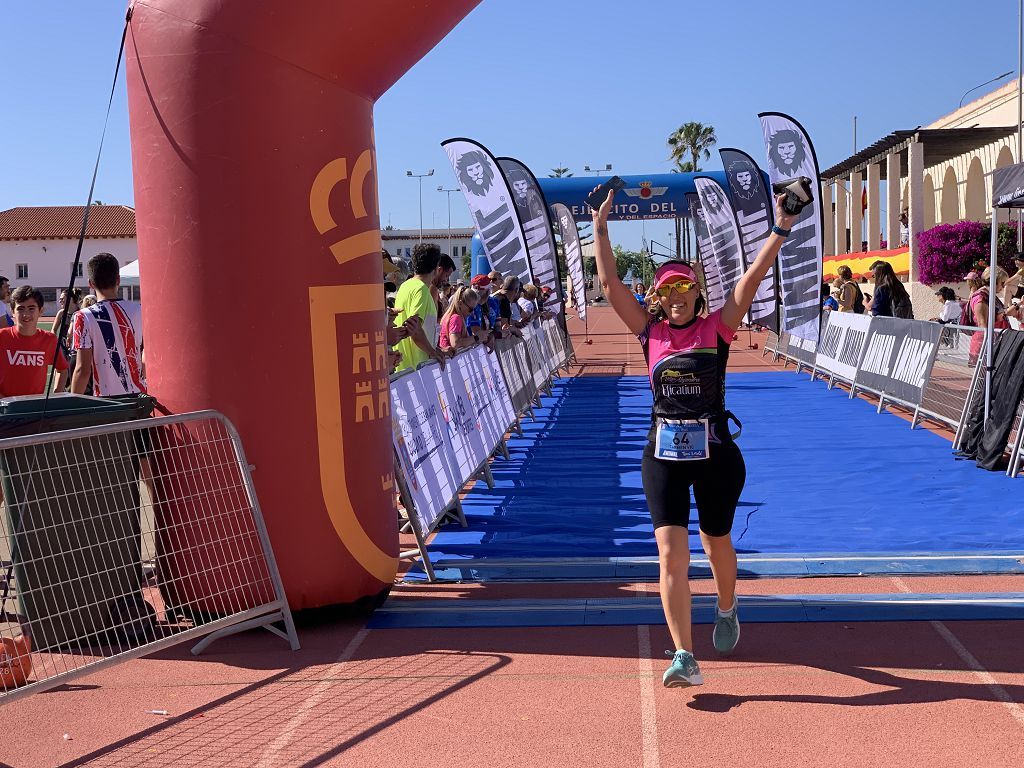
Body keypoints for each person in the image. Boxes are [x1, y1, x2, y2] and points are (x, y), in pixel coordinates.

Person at [592, 185, 797, 688]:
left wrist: (780, 228)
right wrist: (599, 227)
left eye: (684, 288)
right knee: (669, 553)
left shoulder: (717, 327)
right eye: (666, 291)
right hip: (662, 451)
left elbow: (751, 281)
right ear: (658, 300)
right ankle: (684, 653)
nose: (676, 297)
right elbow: (609, 279)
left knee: (716, 542)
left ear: (697, 293)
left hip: (715, 455)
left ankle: (727, 607)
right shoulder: (648, 333)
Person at [71, 253, 146, 396]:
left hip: (106, 401)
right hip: (139, 396)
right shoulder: (139, 310)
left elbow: (82, 370)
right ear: (118, 279)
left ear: (90, 283)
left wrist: (74, 406)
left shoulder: (82, 316)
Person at [0, 285, 69, 397]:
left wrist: (56, 397)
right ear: (12, 311)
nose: (26, 314)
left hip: (34, 409)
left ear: (40, 311)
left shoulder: (49, 339)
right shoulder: (2, 337)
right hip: (5, 409)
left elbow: (62, 369)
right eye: (20, 309)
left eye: (31, 308)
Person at [392, 243, 447, 372]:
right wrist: (432, 352)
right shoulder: (421, 289)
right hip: (416, 368)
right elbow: (414, 328)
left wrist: (434, 348)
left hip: (404, 367)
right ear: (436, 268)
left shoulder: (406, 286)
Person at [963, 268, 1011, 366]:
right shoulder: (981, 297)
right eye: (1002, 282)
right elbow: (982, 325)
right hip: (986, 346)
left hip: (994, 343)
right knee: (984, 378)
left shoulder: (989, 295)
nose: (1003, 286)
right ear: (994, 281)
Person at [438, 286, 481, 354]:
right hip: (450, 361)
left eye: (474, 309)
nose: (472, 313)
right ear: (460, 303)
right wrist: (477, 337)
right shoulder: (456, 318)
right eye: (470, 309)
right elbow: (455, 343)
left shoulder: (451, 316)